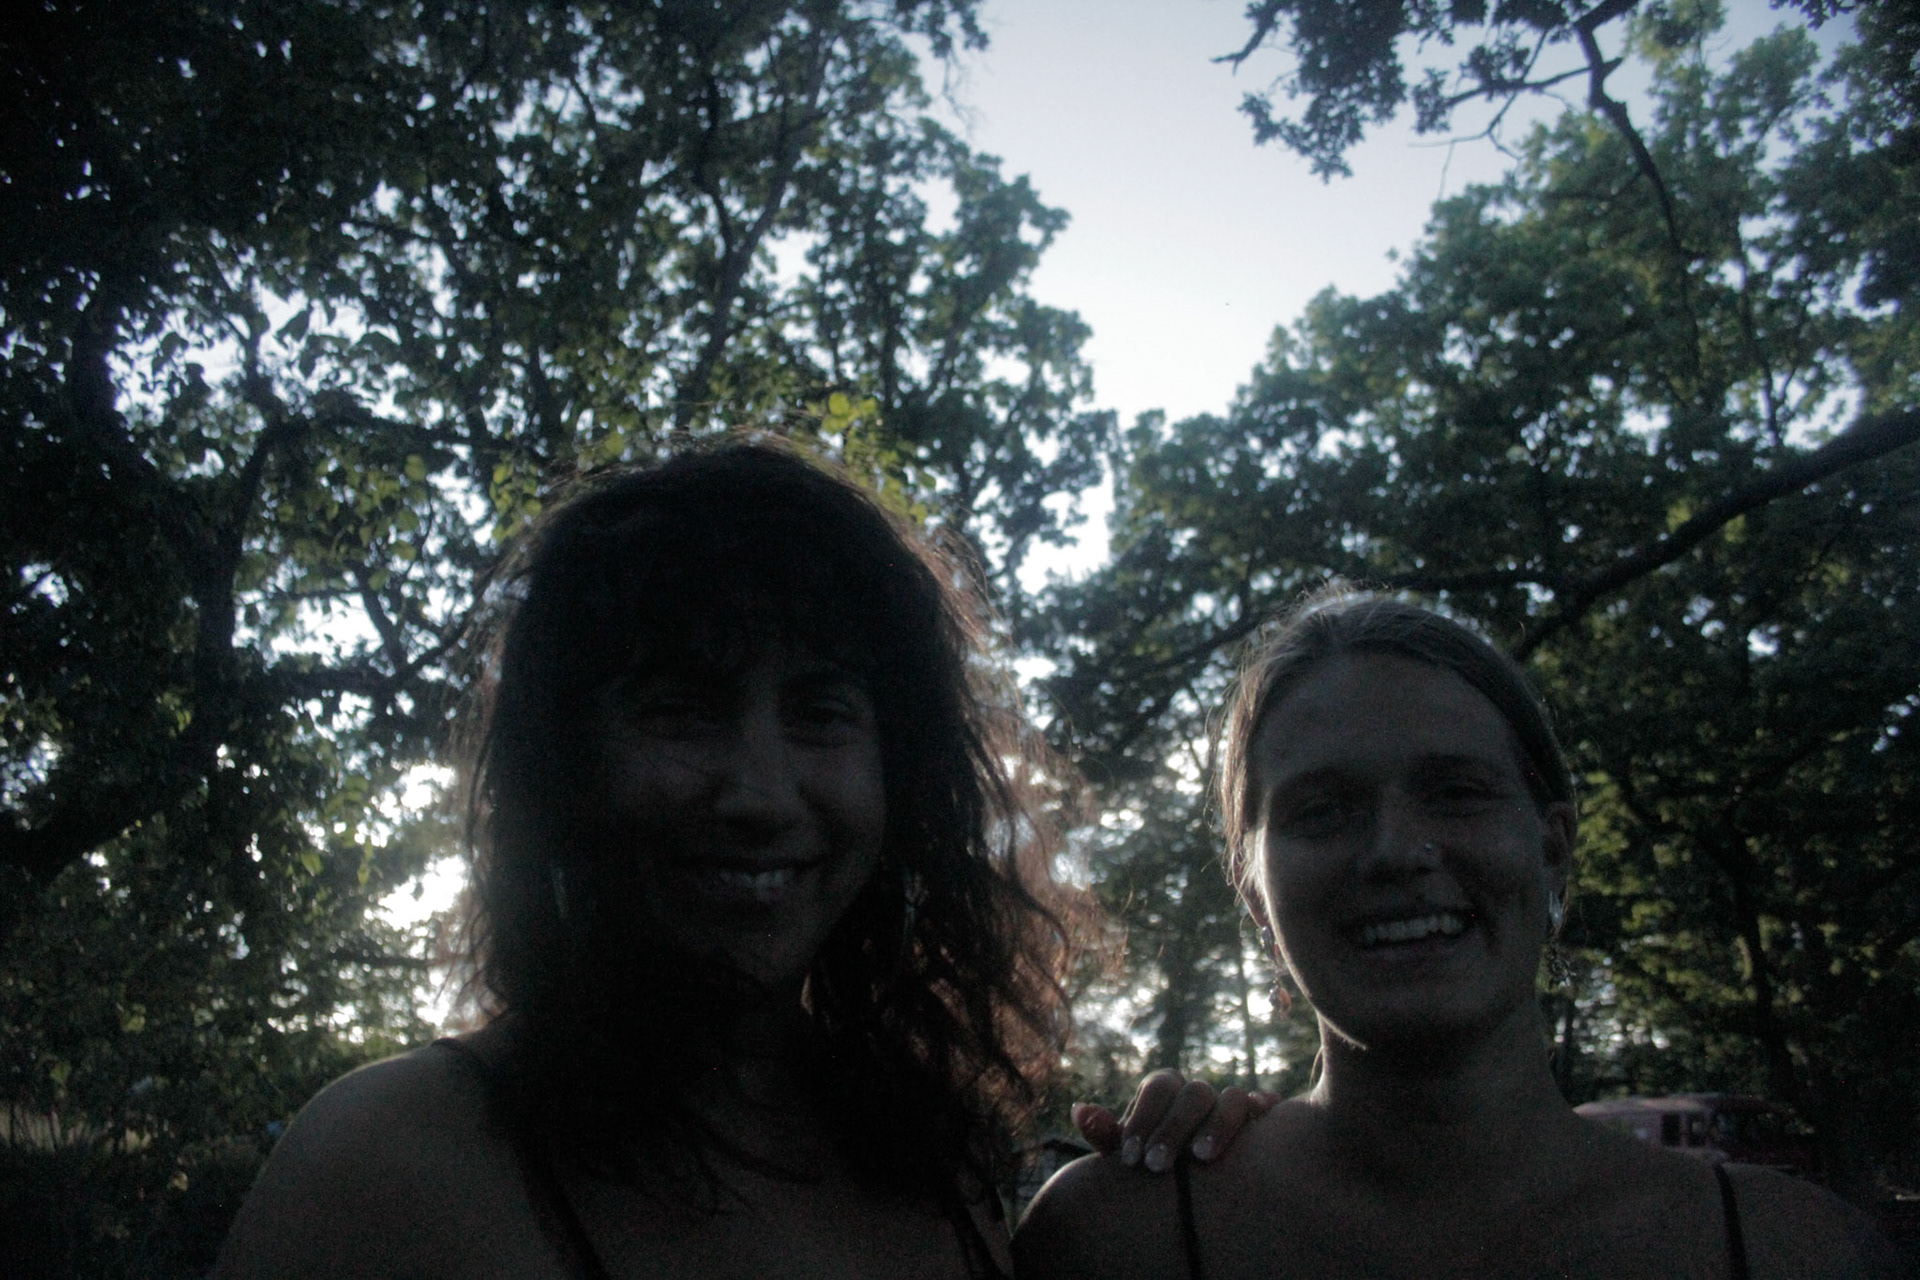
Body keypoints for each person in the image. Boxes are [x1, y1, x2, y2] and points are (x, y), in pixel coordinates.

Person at [215, 439, 1246, 1280]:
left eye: (820, 711)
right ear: (566, 765)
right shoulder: (391, 1163)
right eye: (681, 708)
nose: (759, 794)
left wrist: (1245, 1167)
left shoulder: (940, 1164)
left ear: (901, 771)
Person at [1014, 591, 1903, 1280]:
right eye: (1323, 810)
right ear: (1254, 893)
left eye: (1456, 792)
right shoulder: (1114, 1243)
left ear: (1553, 848)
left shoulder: (1800, 1254)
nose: (1395, 851)